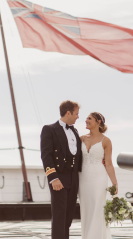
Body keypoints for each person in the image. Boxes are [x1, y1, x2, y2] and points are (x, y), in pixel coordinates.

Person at [40, 100, 82, 239]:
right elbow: (46, 155)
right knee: (59, 216)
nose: (78, 116)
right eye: (76, 113)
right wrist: (53, 178)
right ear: (68, 112)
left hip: (73, 178)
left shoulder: (75, 131)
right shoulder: (49, 129)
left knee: (68, 216)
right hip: (59, 177)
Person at [79, 112, 118, 239]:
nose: (86, 120)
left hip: (99, 178)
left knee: (98, 207)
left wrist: (114, 183)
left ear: (98, 122)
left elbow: (109, 164)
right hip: (83, 178)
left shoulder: (106, 141)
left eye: (89, 118)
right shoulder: (81, 138)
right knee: (86, 207)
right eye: (86, 118)